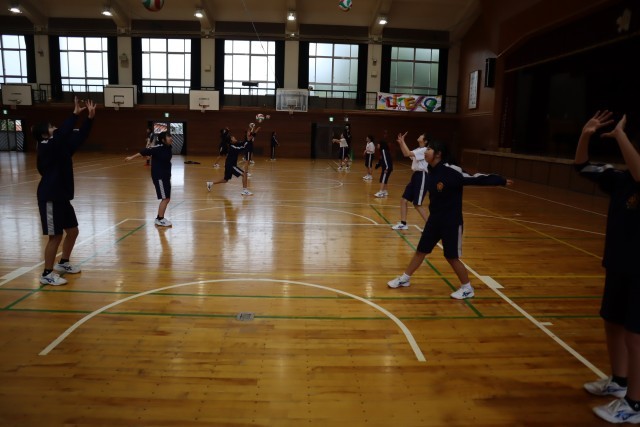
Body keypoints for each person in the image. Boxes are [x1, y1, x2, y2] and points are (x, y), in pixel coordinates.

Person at [575, 110, 640, 424]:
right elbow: (582, 165)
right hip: (618, 264)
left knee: (635, 335)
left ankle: (635, 405)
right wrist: (585, 135)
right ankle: (619, 381)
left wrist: (620, 136)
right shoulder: (619, 179)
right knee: (612, 322)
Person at [387, 137, 512, 299]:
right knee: (421, 251)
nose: (425, 151)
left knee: (451, 257)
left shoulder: (451, 171)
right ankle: (405, 278)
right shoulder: (431, 169)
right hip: (434, 220)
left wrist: (500, 180)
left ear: (438, 154)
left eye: (429, 149)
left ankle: (467, 288)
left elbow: (476, 178)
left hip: (451, 222)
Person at [34, 96, 96, 286]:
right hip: (50, 197)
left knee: (73, 231)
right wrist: (74, 114)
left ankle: (63, 263)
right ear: (44, 134)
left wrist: (90, 119)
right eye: (52, 127)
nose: (55, 128)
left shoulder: (59, 147)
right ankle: (46, 274)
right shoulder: (45, 145)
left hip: (61, 197)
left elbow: (79, 136)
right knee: (55, 236)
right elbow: (62, 133)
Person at [125, 131, 174, 227]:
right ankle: (160, 219)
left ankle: (160, 218)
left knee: (167, 198)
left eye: (170, 136)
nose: (171, 138)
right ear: (163, 139)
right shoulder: (157, 148)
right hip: (159, 177)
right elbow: (143, 151)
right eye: (168, 136)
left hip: (166, 176)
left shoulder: (168, 147)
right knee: (165, 198)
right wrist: (131, 157)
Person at [390, 132, 429, 230]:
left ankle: (431, 226)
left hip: (422, 176)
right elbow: (406, 154)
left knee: (417, 204)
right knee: (404, 200)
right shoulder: (418, 149)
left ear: (425, 141)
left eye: (422, 135)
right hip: (416, 176)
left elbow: (408, 153)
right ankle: (403, 223)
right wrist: (401, 143)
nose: (419, 135)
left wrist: (403, 142)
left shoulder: (425, 150)